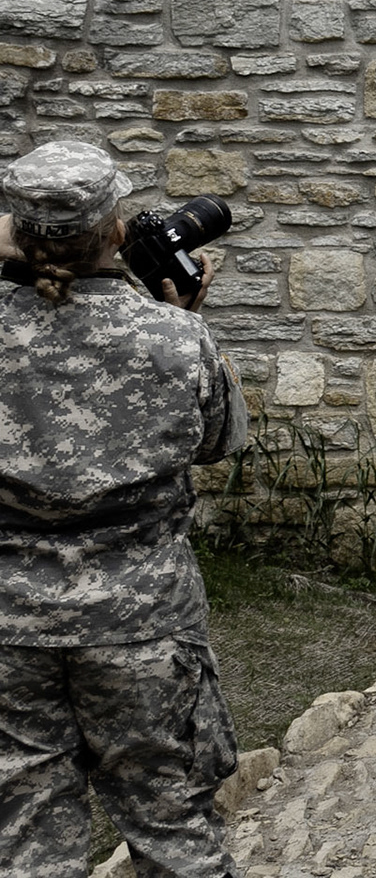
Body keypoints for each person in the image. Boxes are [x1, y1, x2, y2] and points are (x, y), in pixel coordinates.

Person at [0, 140, 249, 877]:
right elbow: (220, 441)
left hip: (10, 623)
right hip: (142, 621)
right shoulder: (172, 337)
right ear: (115, 228)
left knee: (26, 834)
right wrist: (185, 320)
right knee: (173, 825)